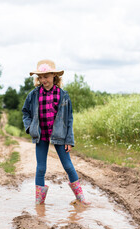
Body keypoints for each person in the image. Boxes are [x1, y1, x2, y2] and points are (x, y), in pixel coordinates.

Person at [22, 59, 90, 205]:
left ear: (54, 76)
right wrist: (30, 127)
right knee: (41, 168)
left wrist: (69, 140)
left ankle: (81, 199)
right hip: (41, 136)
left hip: (60, 136)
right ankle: (39, 202)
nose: (43, 80)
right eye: (40, 77)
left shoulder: (63, 95)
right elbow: (25, 112)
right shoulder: (33, 95)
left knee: (68, 166)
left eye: (46, 76)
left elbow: (69, 119)